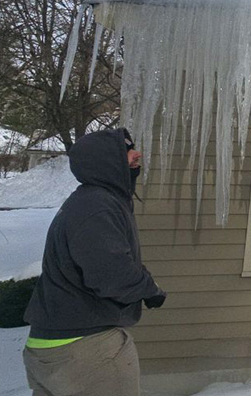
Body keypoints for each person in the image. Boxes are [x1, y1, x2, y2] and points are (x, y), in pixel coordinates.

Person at [22, 128, 166, 396]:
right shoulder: (97, 206)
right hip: (84, 348)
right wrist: (150, 289)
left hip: (54, 344)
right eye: (125, 151)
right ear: (104, 161)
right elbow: (111, 274)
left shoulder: (91, 201)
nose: (137, 155)